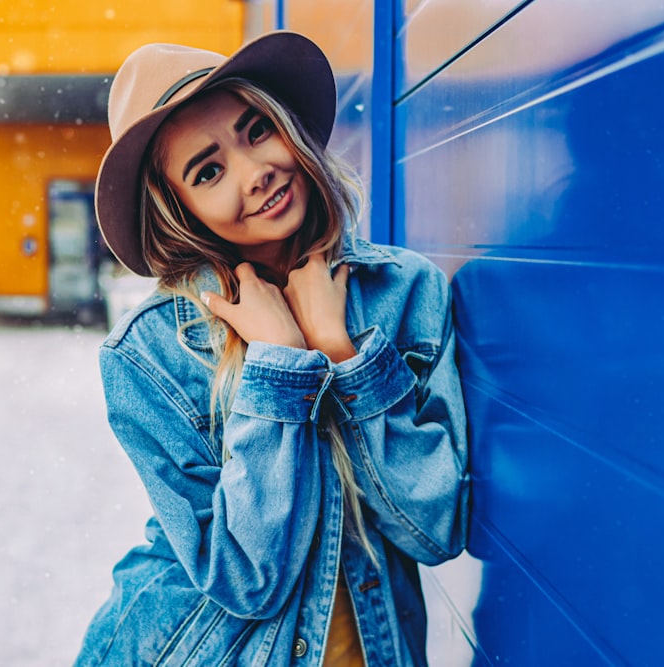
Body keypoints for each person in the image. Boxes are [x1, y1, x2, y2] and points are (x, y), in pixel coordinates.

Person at [75, 31, 470, 666]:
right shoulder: (149, 352)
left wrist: (344, 355)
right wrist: (279, 367)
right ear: (181, 213)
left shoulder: (404, 293)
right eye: (209, 171)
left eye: (257, 131)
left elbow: (434, 525)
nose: (256, 172)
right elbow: (246, 581)